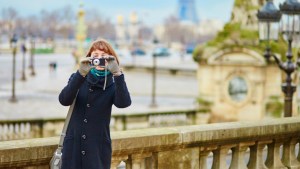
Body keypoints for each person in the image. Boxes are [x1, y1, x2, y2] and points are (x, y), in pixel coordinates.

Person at [58, 39, 131, 169]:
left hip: (97, 150)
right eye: (95, 56)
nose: (99, 60)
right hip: (73, 149)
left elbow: (124, 103)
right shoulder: (77, 78)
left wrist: (117, 74)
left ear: (111, 60)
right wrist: (80, 74)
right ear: (89, 58)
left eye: (104, 56)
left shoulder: (113, 85)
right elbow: (64, 100)